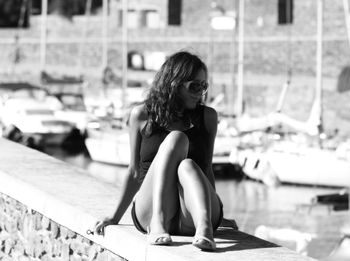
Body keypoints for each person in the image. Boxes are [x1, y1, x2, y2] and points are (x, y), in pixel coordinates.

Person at [94, 51, 233, 251]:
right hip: (149, 211)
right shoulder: (141, 115)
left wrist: (214, 210)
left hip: (190, 214)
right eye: (194, 86)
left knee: (188, 165)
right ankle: (157, 221)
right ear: (174, 84)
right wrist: (114, 217)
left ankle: (205, 227)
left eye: (204, 86)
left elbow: (207, 169)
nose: (200, 93)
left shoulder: (208, 117)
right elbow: (134, 172)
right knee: (177, 139)